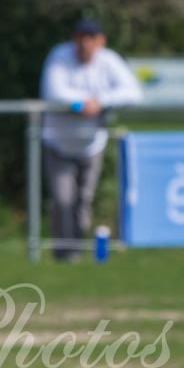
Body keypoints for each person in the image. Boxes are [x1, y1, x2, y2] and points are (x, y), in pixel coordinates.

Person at [39, 16, 142, 261]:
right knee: (63, 200)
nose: (85, 43)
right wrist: (79, 104)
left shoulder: (109, 60)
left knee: (83, 201)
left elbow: (133, 92)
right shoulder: (60, 56)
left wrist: (101, 102)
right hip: (58, 142)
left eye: (91, 37)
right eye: (81, 37)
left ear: (101, 40)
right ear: (74, 38)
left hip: (91, 145)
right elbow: (53, 91)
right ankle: (64, 254)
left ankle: (78, 251)